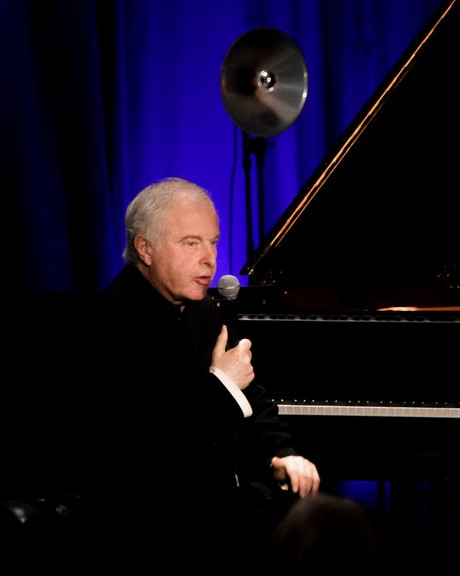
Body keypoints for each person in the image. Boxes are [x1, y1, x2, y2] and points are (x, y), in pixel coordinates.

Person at [81, 176, 320, 570]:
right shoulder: (110, 324)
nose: (210, 259)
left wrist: (280, 455)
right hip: (152, 519)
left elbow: (251, 396)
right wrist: (223, 385)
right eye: (191, 243)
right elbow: (156, 446)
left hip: (216, 502)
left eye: (212, 241)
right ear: (145, 249)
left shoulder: (202, 309)